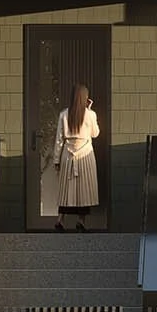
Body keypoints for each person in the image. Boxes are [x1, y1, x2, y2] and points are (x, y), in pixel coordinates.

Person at [53, 84, 101, 231]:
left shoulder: (64, 114)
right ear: (85, 98)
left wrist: (56, 159)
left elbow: (59, 140)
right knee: (84, 190)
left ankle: (60, 220)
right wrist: (90, 111)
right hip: (85, 154)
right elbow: (95, 133)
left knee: (66, 190)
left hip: (68, 155)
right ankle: (81, 221)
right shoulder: (90, 115)